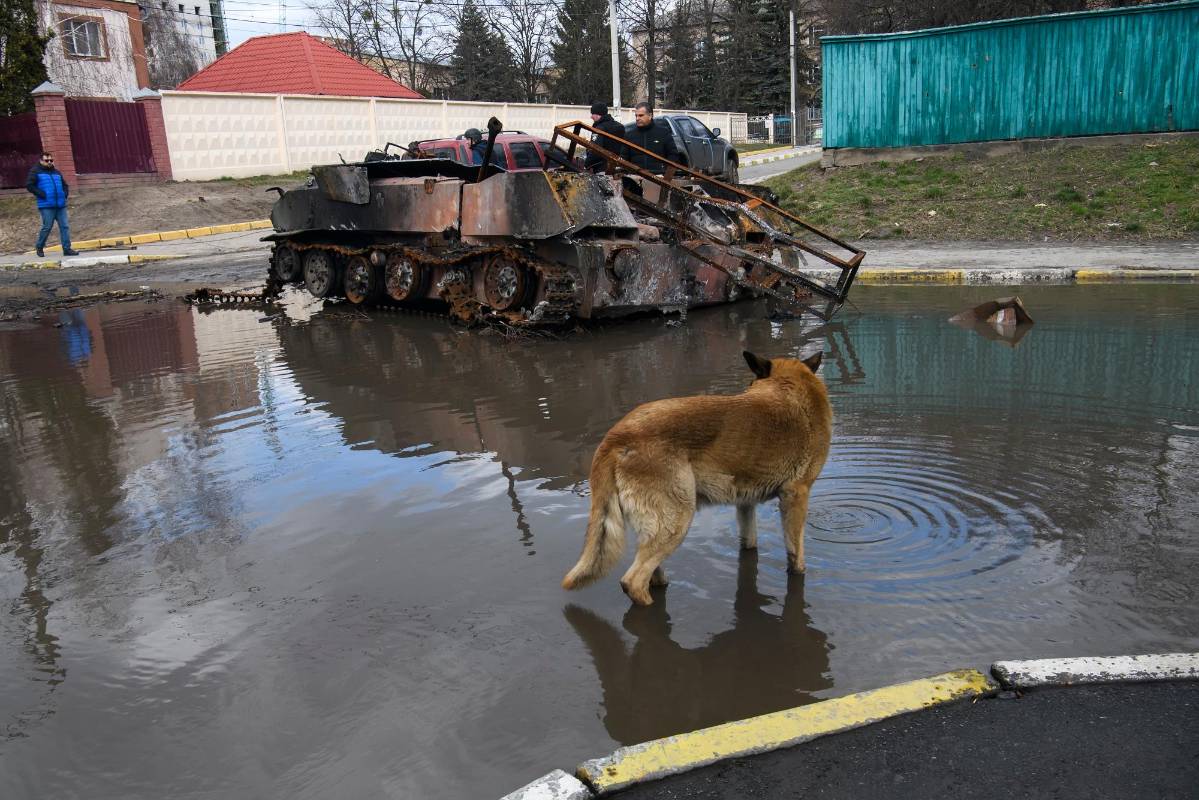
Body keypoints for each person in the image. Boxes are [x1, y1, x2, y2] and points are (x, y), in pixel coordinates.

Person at [27, 152, 79, 257]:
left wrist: (64, 194)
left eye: (51, 160)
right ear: (41, 161)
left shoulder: (57, 172)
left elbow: (65, 185)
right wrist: (42, 194)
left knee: (64, 226)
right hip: (46, 205)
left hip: (60, 205)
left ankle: (67, 249)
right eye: (47, 160)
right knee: (47, 227)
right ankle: (39, 246)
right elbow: (29, 185)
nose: (49, 162)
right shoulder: (35, 171)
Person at [621, 102, 682, 174]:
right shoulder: (629, 135)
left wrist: (665, 172)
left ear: (650, 116)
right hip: (635, 177)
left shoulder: (663, 133)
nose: (637, 118)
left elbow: (673, 155)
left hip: (658, 177)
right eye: (636, 116)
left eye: (641, 115)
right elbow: (624, 158)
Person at [584, 102, 627, 172]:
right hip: (618, 166)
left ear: (598, 114)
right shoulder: (620, 126)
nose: (591, 117)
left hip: (601, 168)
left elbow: (595, 150)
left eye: (592, 114)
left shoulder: (599, 129)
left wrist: (586, 164)